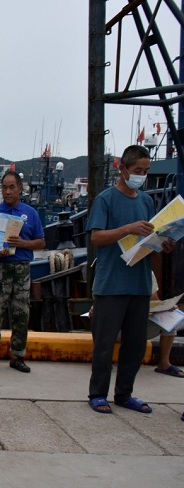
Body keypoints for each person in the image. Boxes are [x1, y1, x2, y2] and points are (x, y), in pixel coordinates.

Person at [86, 145, 176, 414]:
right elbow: (96, 237)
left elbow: (150, 238)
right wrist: (127, 228)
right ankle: (97, 393)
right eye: (138, 170)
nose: (142, 176)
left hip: (139, 284)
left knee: (135, 346)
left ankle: (124, 394)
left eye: (146, 171)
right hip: (111, 284)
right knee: (104, 345)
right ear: (123, 169)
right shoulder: (105, 199)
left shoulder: (146, 202)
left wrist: (164, 243)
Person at [0, 171, 45, 373]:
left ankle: (18, 356)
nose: (7, 192)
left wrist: (23, 243)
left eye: (11, 187)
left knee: (21, 314)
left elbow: (41, 242)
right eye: (4, 188)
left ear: (20, 189)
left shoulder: (30, 213)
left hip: (22, 268)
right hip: (0, 268)